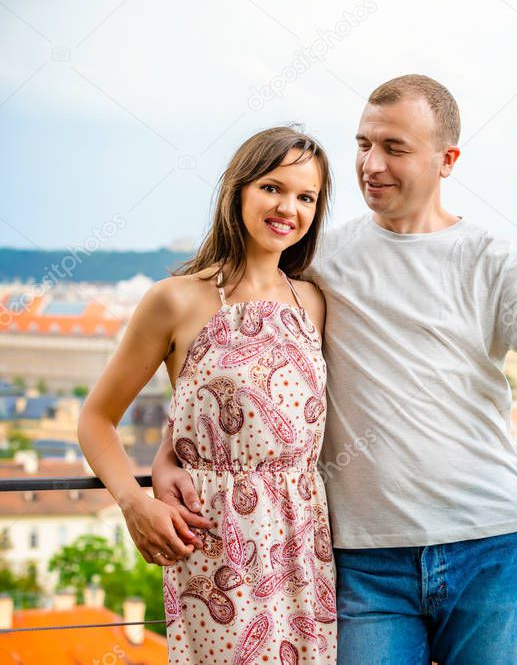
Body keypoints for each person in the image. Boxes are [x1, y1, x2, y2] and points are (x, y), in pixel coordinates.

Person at [154, 74, 517, 664]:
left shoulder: (495, 261)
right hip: (363, 559)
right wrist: (173, 450)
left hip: (489, 546)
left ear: (447, 160)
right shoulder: (316, 260)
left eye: (394, 148)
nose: (371, 163)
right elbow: (239, 358)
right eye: (364, 143)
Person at [78, 126, 337, 664]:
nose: (287, 207)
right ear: (238, 190)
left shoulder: (313, 301)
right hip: (215, 547)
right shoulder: (175, 300)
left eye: (306, 196)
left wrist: (171, 442)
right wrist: (135, 502)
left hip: (304, 546)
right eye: (272, 187)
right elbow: (96, 418)